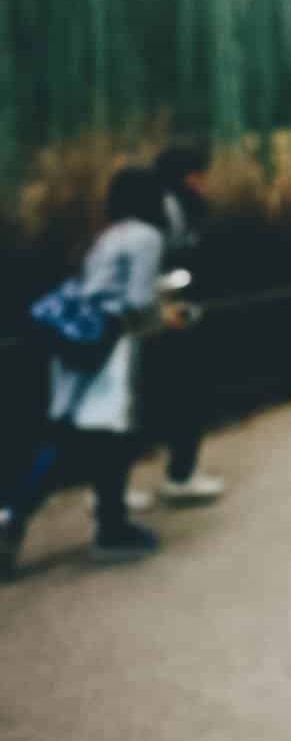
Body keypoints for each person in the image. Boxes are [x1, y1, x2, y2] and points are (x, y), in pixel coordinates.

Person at [1, 166, 190, 573]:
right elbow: (137, 302)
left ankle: (13, 516)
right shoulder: (146, 236)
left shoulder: (108, 233)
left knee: (65, 431)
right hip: (108, 349)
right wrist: (165, 318)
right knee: (110, 437)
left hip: (74, 342)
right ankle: (111, 529)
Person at [150, 142, 224, 502]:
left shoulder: (170, 204)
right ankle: (180, 475)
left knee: (166, 397)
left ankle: (179, 471)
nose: (203, 183)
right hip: (169, 315)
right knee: (186, 394)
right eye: (197, 176)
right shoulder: (170, 208)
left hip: (168, 314)